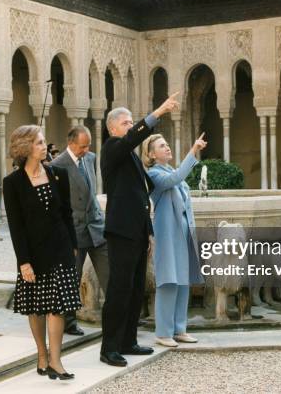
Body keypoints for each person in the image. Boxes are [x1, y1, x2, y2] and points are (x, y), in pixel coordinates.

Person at [99, 92, 181, 368]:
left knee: (135, 290)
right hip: (121, 231)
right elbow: (134, 137)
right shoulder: (112, 148)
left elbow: (143, 194)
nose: (130, 126)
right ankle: (109, 347)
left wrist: (148, 232)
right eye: (126, 123)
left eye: (131, 122)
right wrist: (158, 112)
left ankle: (127, 341)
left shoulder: (131, 158)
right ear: (113, 128)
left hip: (137, 232)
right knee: (119, 290)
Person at [3, 125, 80, 380]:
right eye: (38, 143)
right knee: (36, 307)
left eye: (43, 142)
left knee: (58, 306)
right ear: (25, 148)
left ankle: (56, 360)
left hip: (60, 249)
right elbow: (16, 226)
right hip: (33, 254)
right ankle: (41, 354)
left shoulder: (58, 174)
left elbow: (67, 214)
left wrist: (73, 246)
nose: (44, 147)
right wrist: (24, 262)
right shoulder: (12, 183)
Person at [142, 133, 206, 347]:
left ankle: (179, 329)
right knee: (168, 281)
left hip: (182, 233)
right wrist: (193, 151)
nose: (167, 147)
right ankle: (163, 332)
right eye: (162, 146)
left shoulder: (169, 170)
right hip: (167, 234)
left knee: (183, 280)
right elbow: (175, 179)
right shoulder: (154, 175)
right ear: (151, 154)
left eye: (167, 143)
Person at [51, 125, 109, 336]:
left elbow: (91, 194)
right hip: (73, 232)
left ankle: (117, 319)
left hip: (96, 227)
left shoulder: (90, 158)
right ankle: (69, 322)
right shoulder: (57, 166)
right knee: (71, 279)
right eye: (83, 146)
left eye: (88, 145)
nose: (86, 149)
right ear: (71, 143)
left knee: (110, 275)